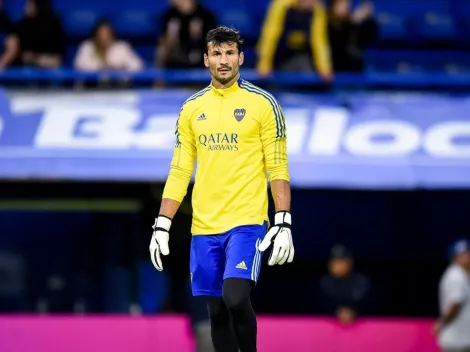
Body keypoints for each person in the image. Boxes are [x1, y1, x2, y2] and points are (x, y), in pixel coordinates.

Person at [149, 26, 295, 352]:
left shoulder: (263, 105)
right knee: (215, 310)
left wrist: (283, 219)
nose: (224, 60)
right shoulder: (191, 109)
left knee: (235, 298)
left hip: (246, 221)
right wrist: (162, 223)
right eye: (217, 53)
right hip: (204, 226)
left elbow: (277, 168)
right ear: (206, 60)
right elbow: (179, 170)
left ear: (241, 58)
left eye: (230, 53)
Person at [435, 239, 470, 352]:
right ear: (455, 258)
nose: (468, 256)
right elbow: (455, 304)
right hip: (457, 341)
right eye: (464, 254)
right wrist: (442, 322)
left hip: (462, 340)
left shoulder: (463, 274)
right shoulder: (456, 276)